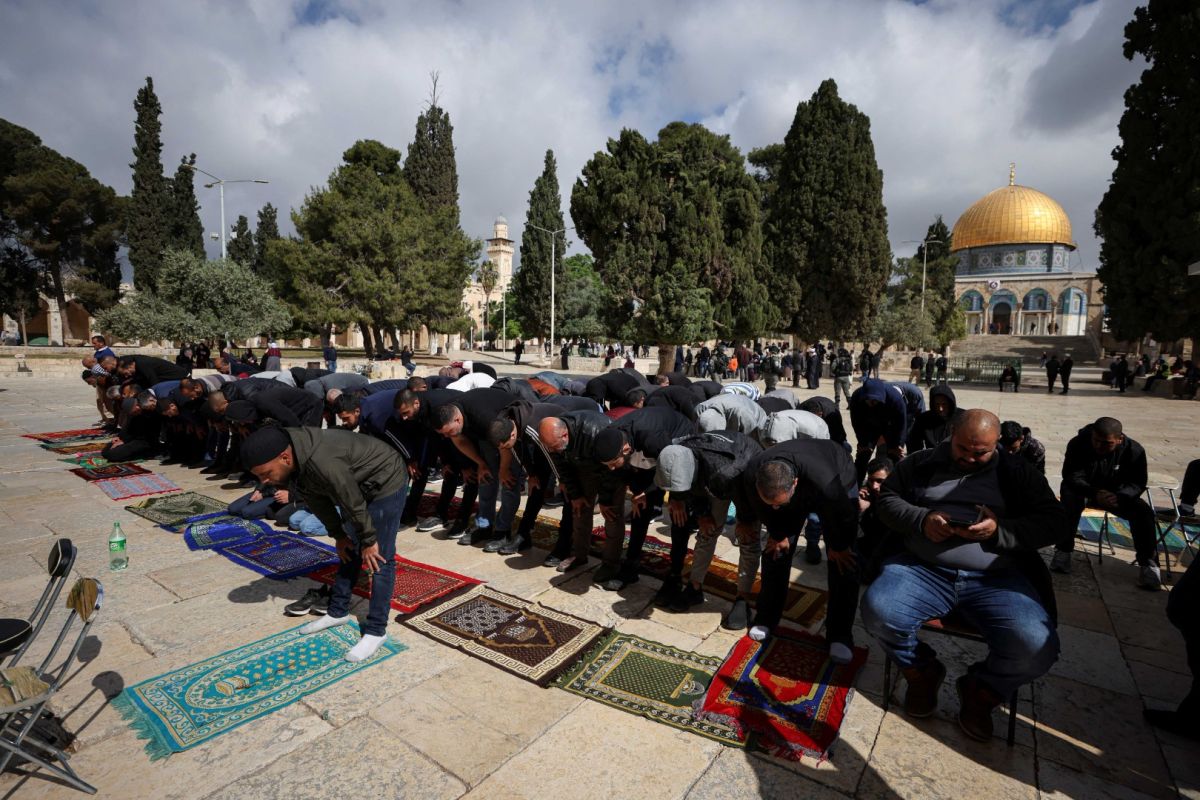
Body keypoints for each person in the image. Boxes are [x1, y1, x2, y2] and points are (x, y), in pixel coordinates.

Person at [860, 410, 1063, 741]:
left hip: (997, 578)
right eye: (962, 449)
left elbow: (1054, 522)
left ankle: (982, 691)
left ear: (996, 444)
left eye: (979, 453)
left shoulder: (1018, 473)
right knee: (879, 610)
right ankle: (921, 672)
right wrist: (921, 520)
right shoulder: (921, 463)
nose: (969, 458)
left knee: (1038, 646)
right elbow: (888, 503)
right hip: (923, 569)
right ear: (952, 435)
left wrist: (1000, 531)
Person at [243, 426, 408, 663]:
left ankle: (376, 631)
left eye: (266, 474)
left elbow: (350, 498)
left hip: (385, 479)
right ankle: (338, 611)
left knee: (379, 556)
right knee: (349, 546)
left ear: (285, 458)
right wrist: (338, 535)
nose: (264, 481)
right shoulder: (296, 461)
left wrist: (370, 539)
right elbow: (316, 499)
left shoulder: (322, 461)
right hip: (356, 483)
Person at [733, 439, 861, 663]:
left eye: (779, 503)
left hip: (837, 479)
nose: (774, 507)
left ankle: (840, 635)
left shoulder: (828, 485)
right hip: (791, 493)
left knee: (844, 561)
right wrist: (778, 532)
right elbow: (763, 509)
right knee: (776, 550)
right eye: (770, 502)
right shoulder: (753, 472)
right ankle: (766, 617)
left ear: (795, 483)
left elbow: (846, 515)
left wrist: (839, 546)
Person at [1052, 417, 1160, 588]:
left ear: (1120, 439)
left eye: (1106, 443)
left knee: (1143, 512)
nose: (1099, 446)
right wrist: (1095, 493)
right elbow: (1072, 475)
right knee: (1070, 501)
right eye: (1096, 441)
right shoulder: (1078, 444)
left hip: (1117, 495)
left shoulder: (1134, 450)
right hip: (1085, 489)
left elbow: (1138, 482)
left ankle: (1149, 563)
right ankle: (1063, 550)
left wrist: (1121, 496)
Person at [907, 385, 959, 453]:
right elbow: (914, 444)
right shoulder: (924, 419)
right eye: (937, 404)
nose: (941, 409)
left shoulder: (962, 417)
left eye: (944, 404)